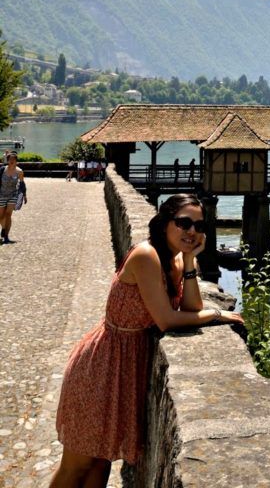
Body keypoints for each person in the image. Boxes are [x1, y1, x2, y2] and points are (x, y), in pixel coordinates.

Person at [49, 193, 244, 487]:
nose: (193, 231)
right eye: (184, 223)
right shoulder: (146, 255)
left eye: (200, 226)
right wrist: (216, 313)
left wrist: (190, 260)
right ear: (165, 222)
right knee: (76, 466)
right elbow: (167, 319)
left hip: (127, 367)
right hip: (102, 365)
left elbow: (190, 308)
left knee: (101, 464)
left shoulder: (177, 260)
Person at [0, 148, 27, 243]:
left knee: (8, 214)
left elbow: (22, 184)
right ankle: (3, 228)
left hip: (13, 195)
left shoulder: (19, 171)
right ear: (7, 161)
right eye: (10, 160)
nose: (11, 161)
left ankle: (6, 236)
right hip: (1, 194)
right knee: (1, 216)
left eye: (13, 160)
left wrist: (24, 195)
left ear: (16, 161)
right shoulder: (2, 170)